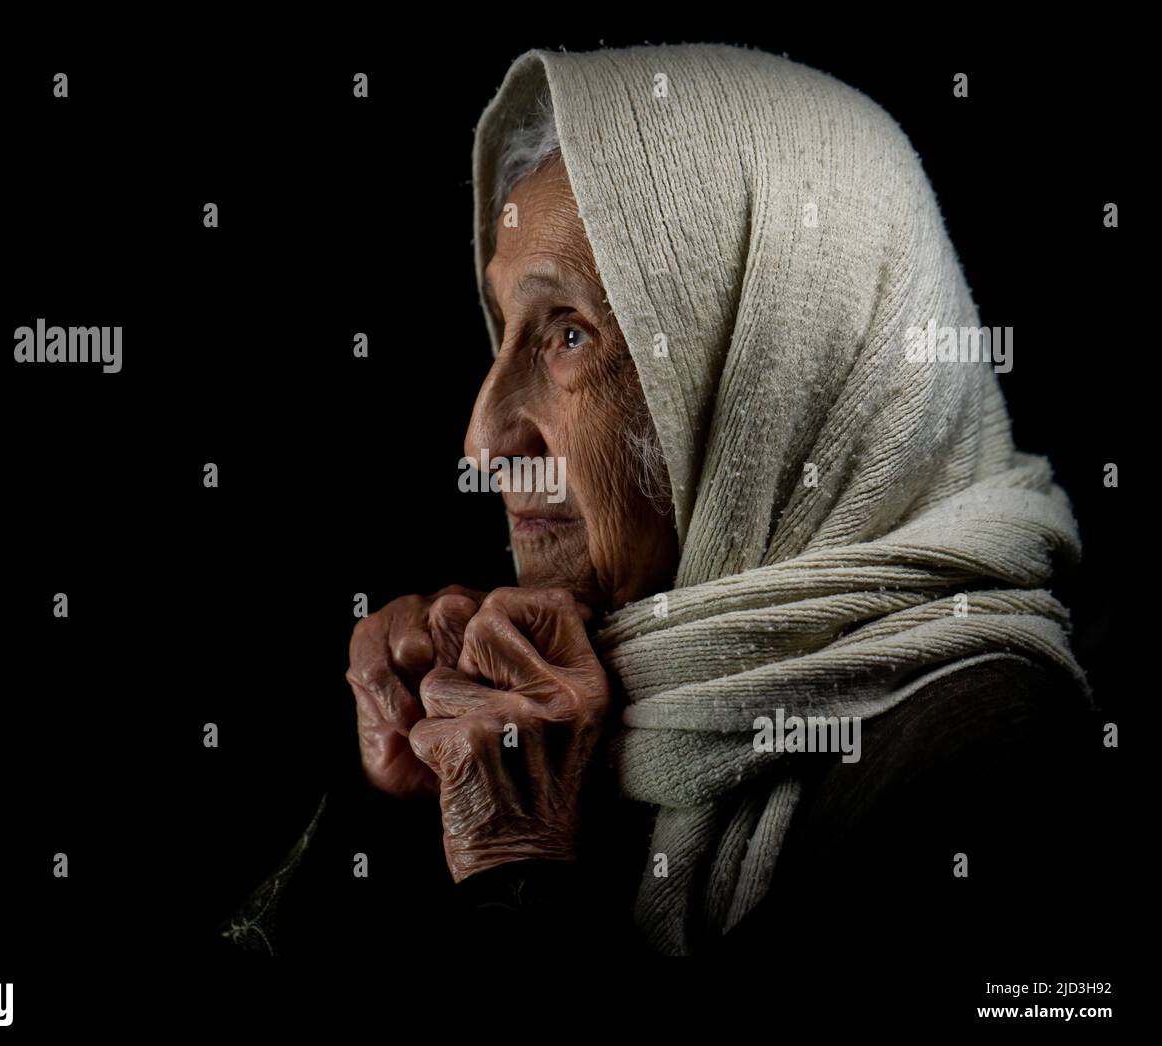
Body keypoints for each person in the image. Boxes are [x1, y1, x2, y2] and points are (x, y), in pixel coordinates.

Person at [221, 42, 1097, 959]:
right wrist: (408, 797)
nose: (483, 443)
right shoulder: (577, 710)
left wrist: (516, 870)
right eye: (505, 328)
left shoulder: (994, 760)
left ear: (776, 366)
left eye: (568, 334)